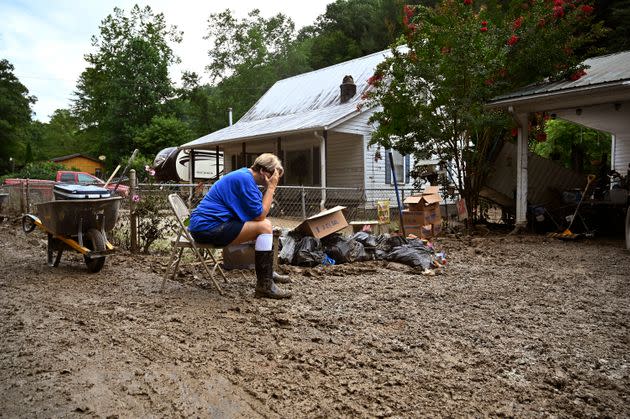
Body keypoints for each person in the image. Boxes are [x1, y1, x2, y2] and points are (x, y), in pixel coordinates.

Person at [188, 153, 291, 299]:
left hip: (210, 225)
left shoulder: (245, 177)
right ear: (263, 172)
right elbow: (261, 214)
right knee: (264, 226)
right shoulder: (244, 179)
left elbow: (253, 214)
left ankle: (266, 274)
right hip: (207, 228)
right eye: (274, 175)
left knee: (263, 225)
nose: (276, 179)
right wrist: (271, 188)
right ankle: (265, 285)